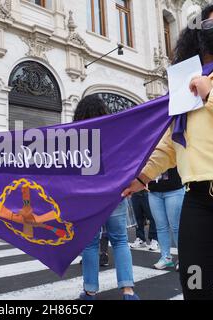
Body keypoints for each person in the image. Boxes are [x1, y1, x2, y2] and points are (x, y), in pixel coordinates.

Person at [122, 2, 213, 300]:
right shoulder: (184, 79)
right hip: (198, 198)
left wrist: (211, 94)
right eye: (212, 23)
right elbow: (172, 141)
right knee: (194, 284)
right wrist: (142, 176)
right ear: (198, 34)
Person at [76, 95, 139, 300]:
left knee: (90, 243)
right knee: (120, 240)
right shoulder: (114, 135)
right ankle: (128, 290)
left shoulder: (76, 137)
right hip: (114, 194)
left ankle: (90, 291)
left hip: (87, 197)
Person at [148, 168, 184, 270]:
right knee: (160, 227)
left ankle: (183, 258)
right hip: (154, 189)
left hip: (174, 188)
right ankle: (165, 258)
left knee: (176, 226)